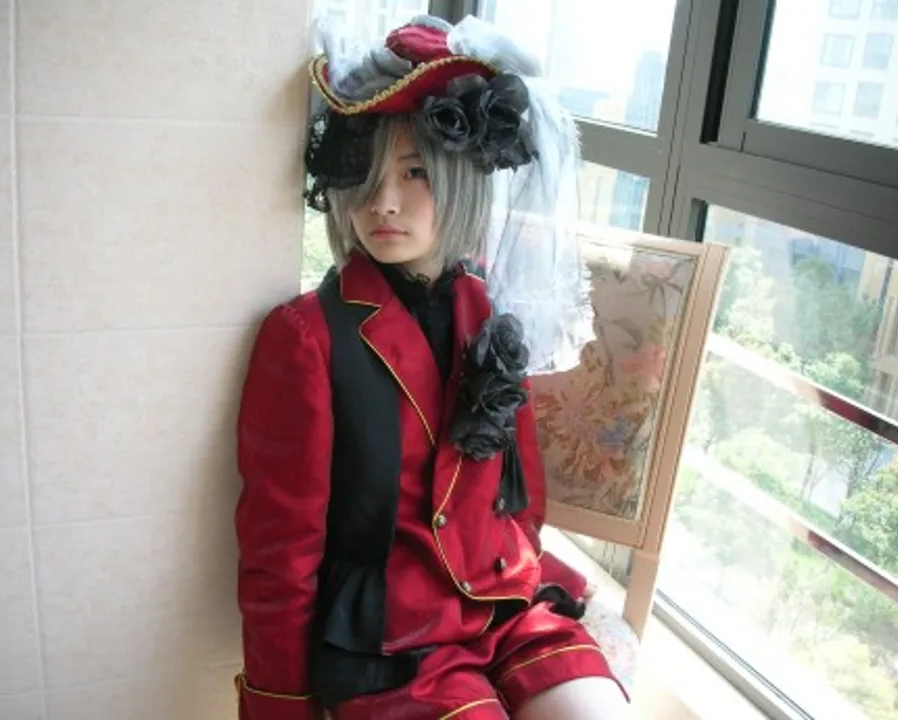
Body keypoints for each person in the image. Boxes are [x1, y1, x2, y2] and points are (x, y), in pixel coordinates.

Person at [234, 14, 630, 720]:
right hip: (392, 642)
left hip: (503, 603)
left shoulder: (489, 308)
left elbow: (520, 489)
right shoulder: (305, 338)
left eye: (415, 172)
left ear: (460, 176)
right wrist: (280, 705)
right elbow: (280, 550)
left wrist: (523, 565)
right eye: (368, 173)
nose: (382, 202)